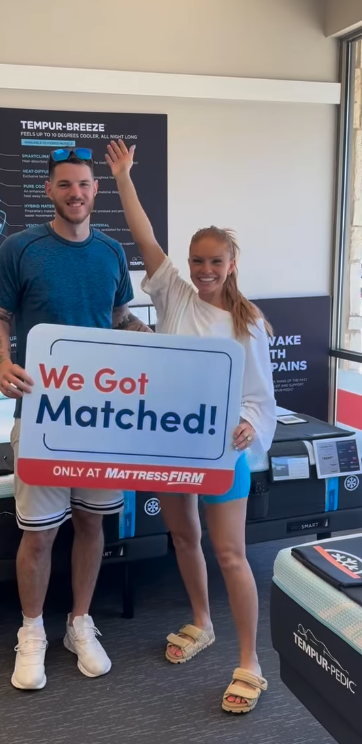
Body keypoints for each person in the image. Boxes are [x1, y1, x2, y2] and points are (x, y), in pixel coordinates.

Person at [105, 139, 277, 714]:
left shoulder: (249, 323)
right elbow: (143, 236)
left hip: (222, 450)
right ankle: (202, 623)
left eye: (215, 261)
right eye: (197, 259)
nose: (204, 270)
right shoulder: (174, 295)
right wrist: (125, 177)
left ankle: (250, 661)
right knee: (183, 537)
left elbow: (258, 395)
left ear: (232, 265)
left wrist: (250, 424)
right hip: (169, 443)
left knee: (231, 553)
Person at [0, 146, 151, 691]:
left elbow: (119, 316)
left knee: (91, 523)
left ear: (95, 190)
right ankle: (32, 632)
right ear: (49, 190)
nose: (75, 193)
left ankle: (80, 622)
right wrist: (3, 362)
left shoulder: (110, 252)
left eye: (84, 185)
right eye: (65, 185)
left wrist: (148, 342)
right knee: (38, 535)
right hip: (41, 415)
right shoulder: (20, 248)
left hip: (102, 419)